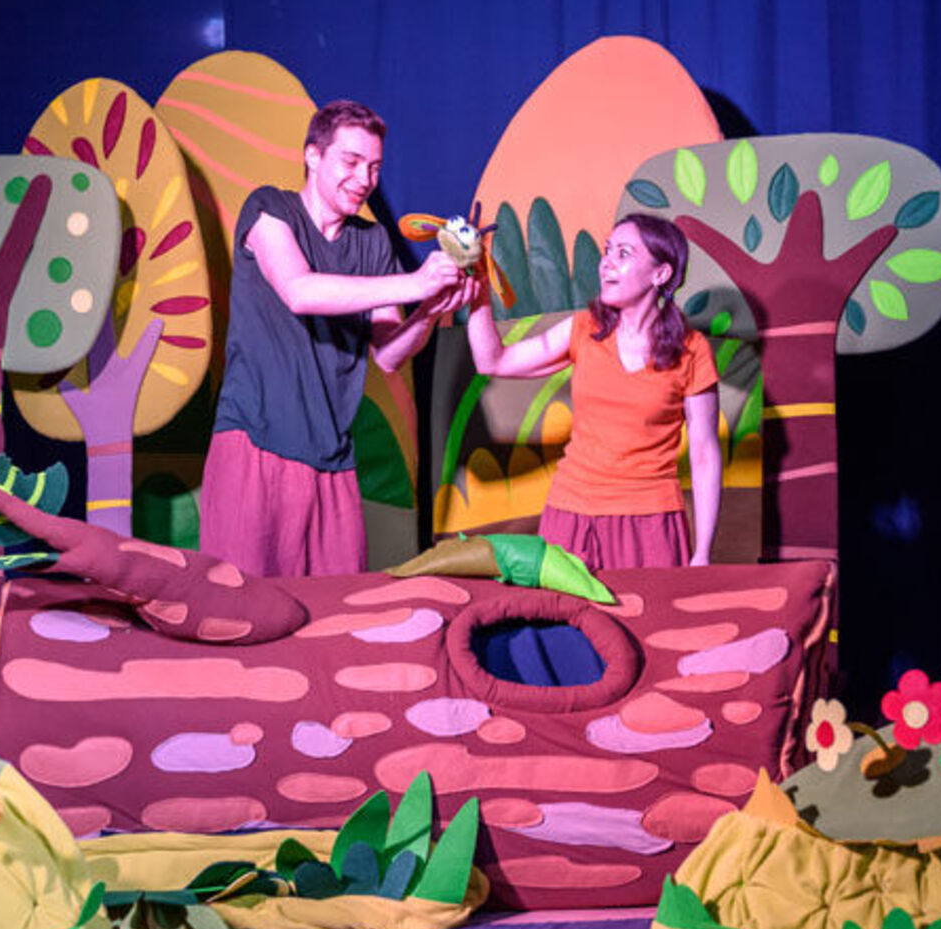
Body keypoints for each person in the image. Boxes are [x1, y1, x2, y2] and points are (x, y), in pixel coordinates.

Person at [200, 100, 467, 577]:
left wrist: (429, 310)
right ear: (313, 155)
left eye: (375, 167)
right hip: (255, 442)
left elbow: (389, 354)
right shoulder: (269, 210)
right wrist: (415, 283)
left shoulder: (372, 242)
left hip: (333, 459)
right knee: (241, 602)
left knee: (333, 605)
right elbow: (300, 292)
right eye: (351, 161)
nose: (365, 178)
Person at [464, 213, 721, 570]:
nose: (606, 263)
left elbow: (705, 454)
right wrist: (478, 288)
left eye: (624, 253)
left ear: (661, 274)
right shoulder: (584, 329)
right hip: (571, 515)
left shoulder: (692, 350)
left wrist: (702, 553)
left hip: (649, 523)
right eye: (607, 250)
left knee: (648, 608)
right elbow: (492, 361)